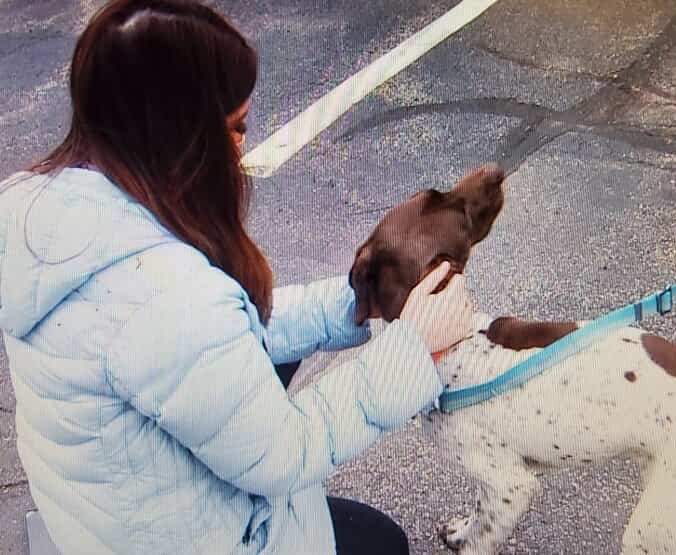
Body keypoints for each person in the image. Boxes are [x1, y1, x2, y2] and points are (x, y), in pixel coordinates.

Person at [0, 1, 473, 554]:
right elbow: (285, 453)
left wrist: (358, 301)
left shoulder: (47, 216)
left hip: (105, 524)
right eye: (235, 126)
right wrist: (414, 354)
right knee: (382, 542)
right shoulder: (167, 299)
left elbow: (219, 335)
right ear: (175, 136)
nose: (240, 147)